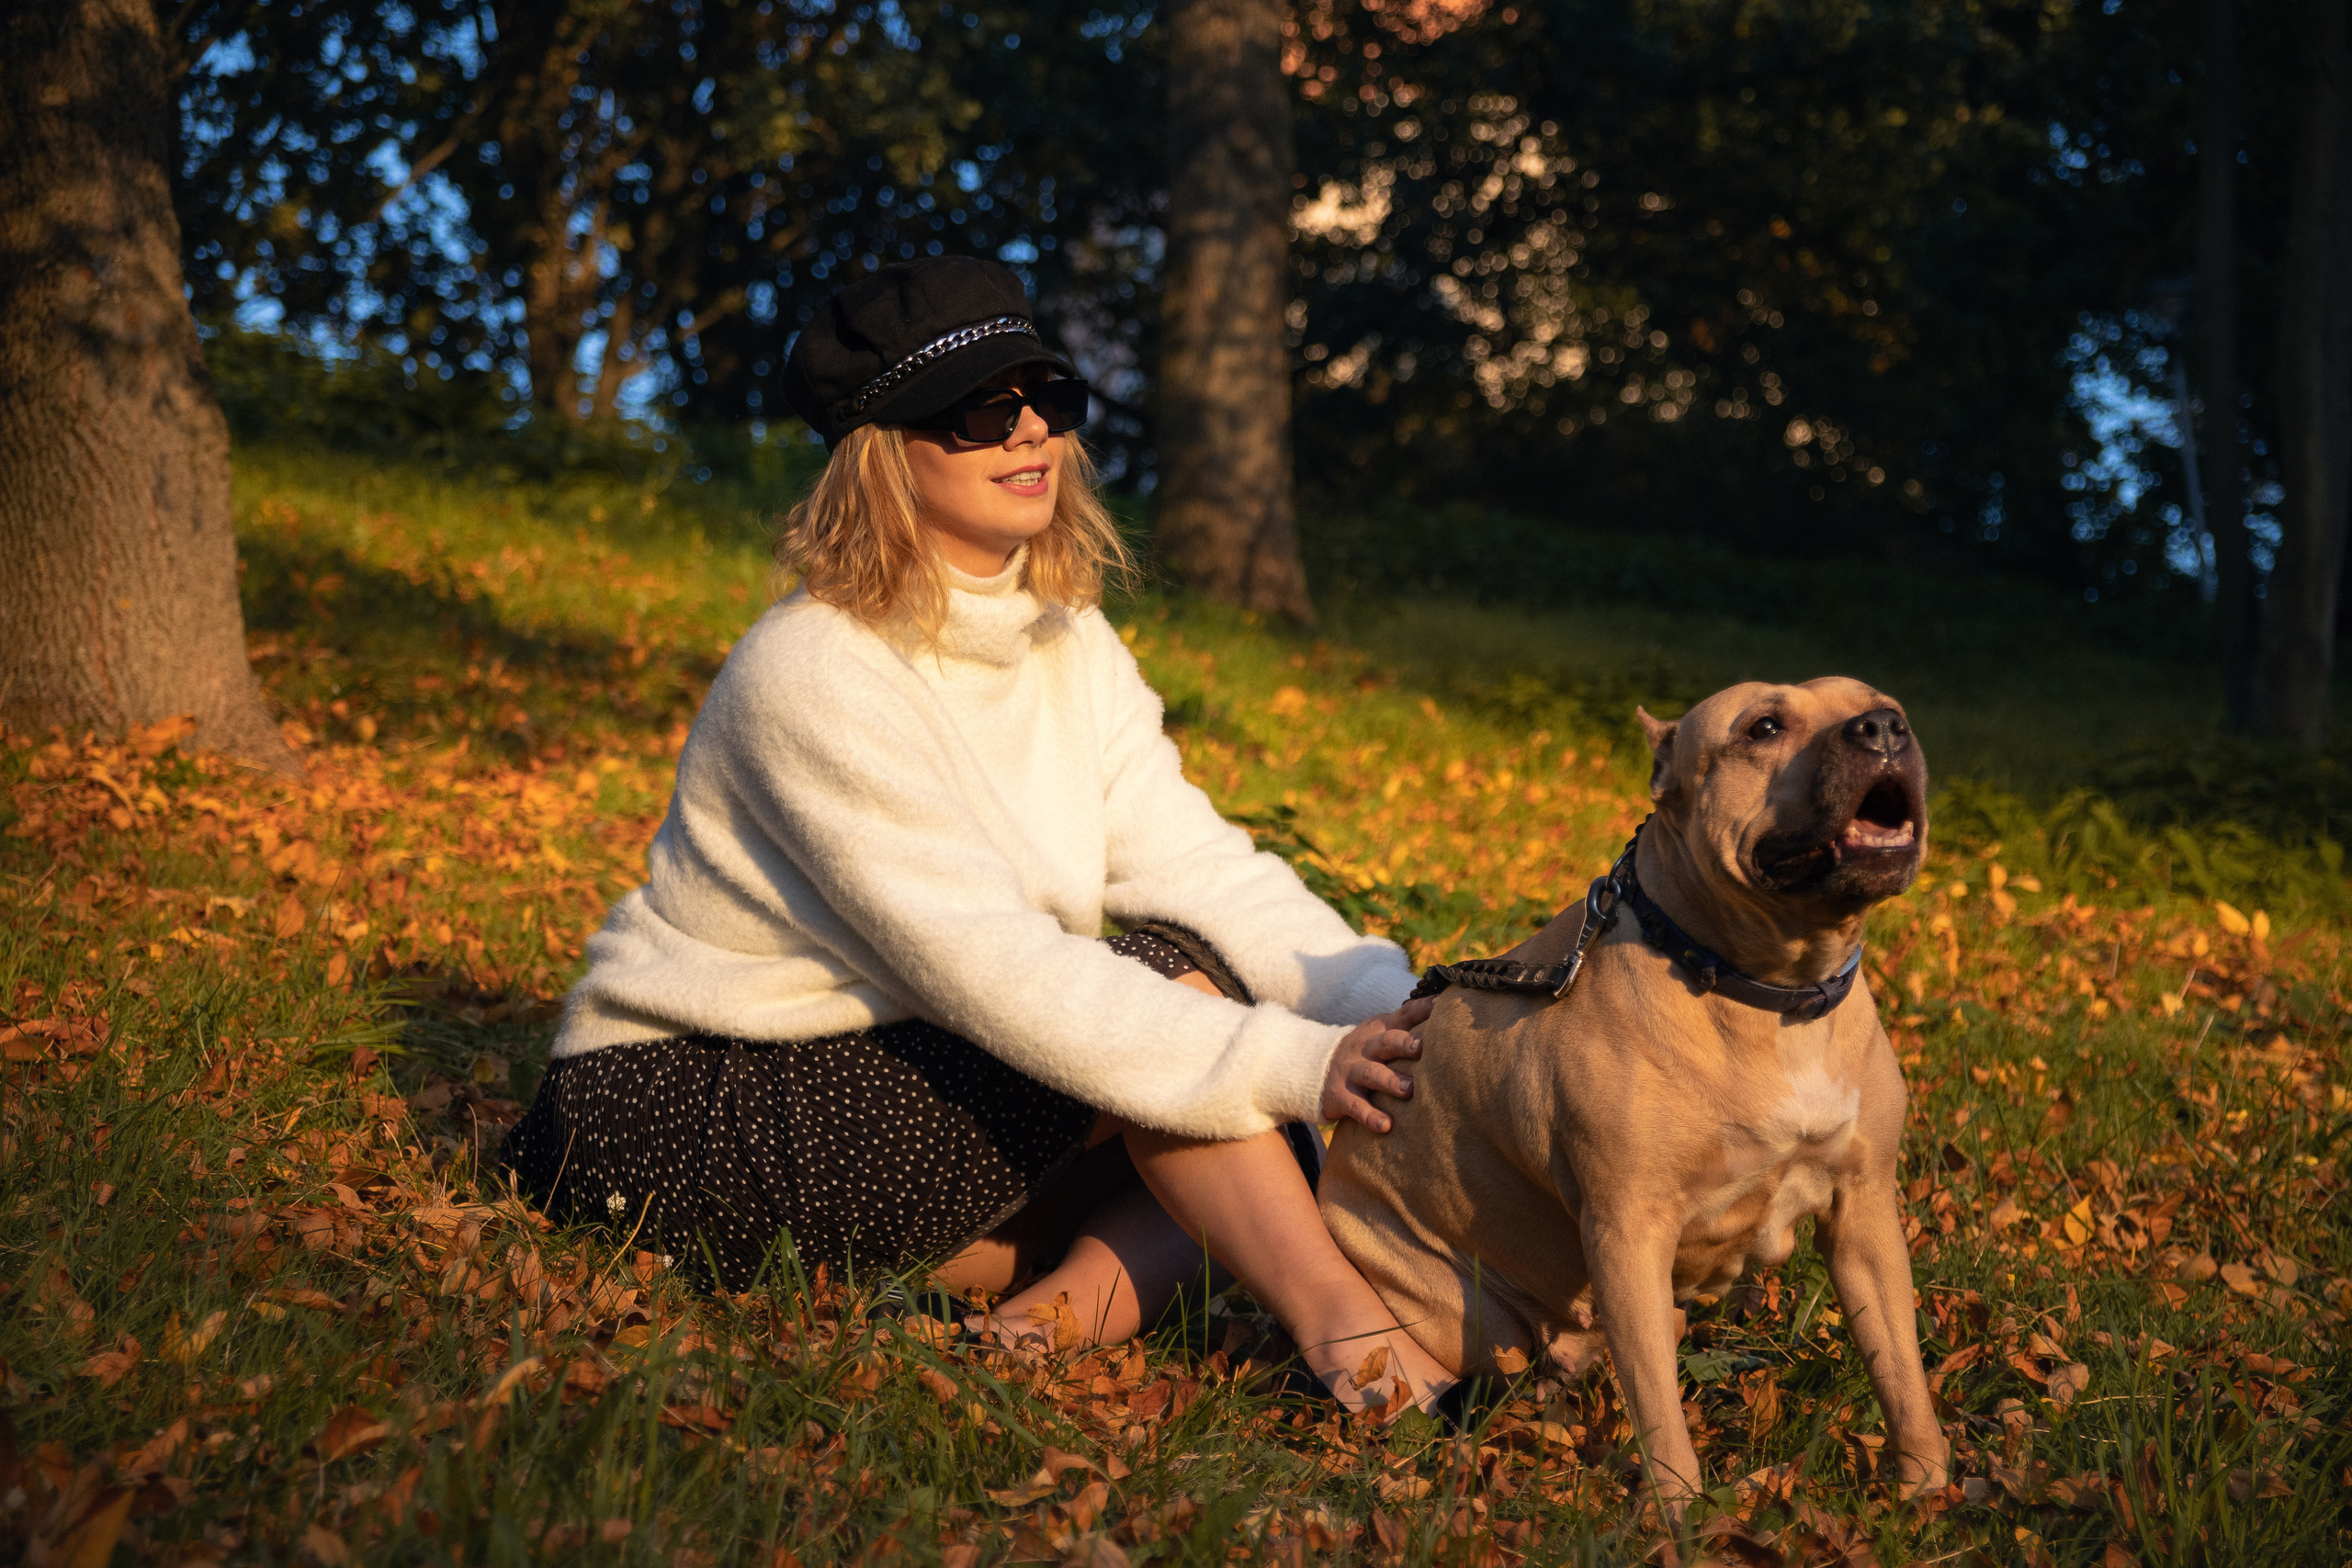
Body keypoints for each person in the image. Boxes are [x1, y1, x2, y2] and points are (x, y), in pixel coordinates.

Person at [501, 255, 1453, 1409]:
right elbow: (991, 968)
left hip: (889, 1083)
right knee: (1193, 1036)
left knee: (1254, 1137)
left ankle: (1023, 1344)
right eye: (978, 409)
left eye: (1047, 395)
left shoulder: (1066, 638)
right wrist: (1291, 1060)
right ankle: (1363, 1352)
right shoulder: (812, 667)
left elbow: (1189, 855)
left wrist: (1386, 1010)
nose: (1030, 431)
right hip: (677, 1112)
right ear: (880, 452)